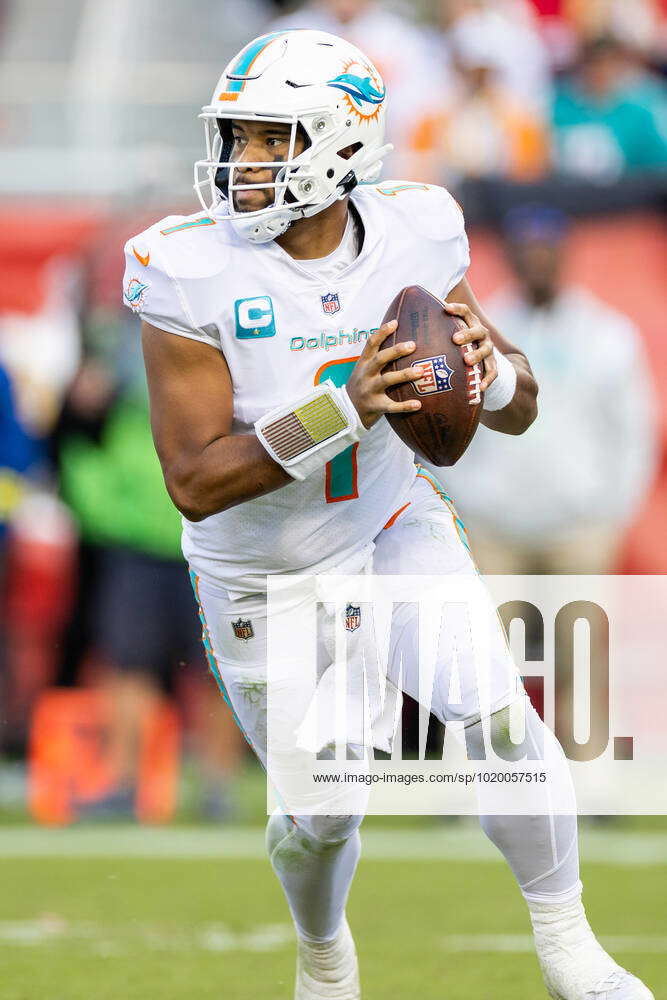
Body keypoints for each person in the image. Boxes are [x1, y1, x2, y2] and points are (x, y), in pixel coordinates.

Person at [122, 30, 654, 999]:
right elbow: (194, 480)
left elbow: (514, 401)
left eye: (270, 140)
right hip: (262, 572)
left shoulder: (418, 230)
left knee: (500, 718)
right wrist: (348, 404)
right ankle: (324, 949)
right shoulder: (185, 269)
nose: (243, 163)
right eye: (238, 138)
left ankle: (568, 943)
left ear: (339, 147)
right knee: (323, 810)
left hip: (388, 523)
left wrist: (490, 382)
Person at [440, 204, 658, 575]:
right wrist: (470, 499)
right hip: (495, 529)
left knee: (579, 633)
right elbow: (451, 420)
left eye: (546, 249)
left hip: (579, 531)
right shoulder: (479, 332)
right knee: (501, 634)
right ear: (510, 256)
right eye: (527, 250)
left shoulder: (605, 334)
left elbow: (633, 429)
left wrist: (610, 512)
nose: (537, 260)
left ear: (564, 253)